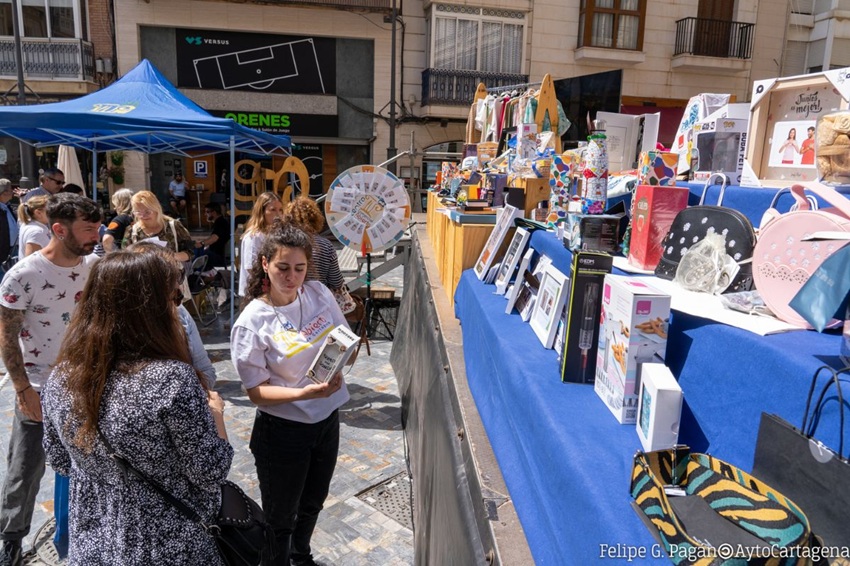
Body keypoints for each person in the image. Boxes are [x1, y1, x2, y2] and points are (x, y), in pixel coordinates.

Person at [41, 250, 232, 565]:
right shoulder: (171, 380)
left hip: (95, 541)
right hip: (167, 544)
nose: (178, 308)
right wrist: (216, 414)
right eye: (174, 298)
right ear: (150, 308)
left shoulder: (61, 378)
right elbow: (210, 470)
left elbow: (59, 460)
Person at [231, 223, 351, 566]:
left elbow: (344, 336)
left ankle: (301, 557)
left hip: (326, 420)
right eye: (283, 267)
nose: (291, 277)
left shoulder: (317, 293)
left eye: (299, 268)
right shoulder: (253, 322)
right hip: (283, 432)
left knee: (313, 502)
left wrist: (342, 358)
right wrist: (303, 393)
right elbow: (256, 393)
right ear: (265, 263)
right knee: (280, 517)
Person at [0, 193, 101, 566]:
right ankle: (11, 539)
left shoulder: (95, 267)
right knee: (25, 467)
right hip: (39, 388)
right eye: (88, 229)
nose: (95, 236)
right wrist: (22, 389)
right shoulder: (23, 275)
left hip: (85, 386)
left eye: (97, 228)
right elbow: (6, 337)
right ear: (59, 229)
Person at [126, 241, 218, 388]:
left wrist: (195, 395)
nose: (178, 284)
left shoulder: (180, 313)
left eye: (179, 274)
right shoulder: (119, 327)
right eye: (171, 275)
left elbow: (206, 371)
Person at [283, 197, 345, 294]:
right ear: (315, 219)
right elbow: (336, 281)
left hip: (292, 296)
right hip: (319, 297)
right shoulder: (326, 245)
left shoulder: (285, 245)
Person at [122, 190, 193, 262]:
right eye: (138, 212)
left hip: (170, 268)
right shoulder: (132, 231)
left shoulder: (174, 226)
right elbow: (125, 257)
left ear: (156, 209)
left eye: (147, 212)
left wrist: (172, 256)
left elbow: (190, 252)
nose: (143, 216)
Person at [238, 192, 283, 298]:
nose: (278, 214)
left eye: (280, 210)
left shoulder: (276, 234)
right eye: (273, 209)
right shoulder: (253, 236)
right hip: (255, 293)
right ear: (262, 212)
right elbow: (251, 267)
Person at [194, 202, 230, 268]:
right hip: (219, 255)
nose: (205, 214)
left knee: (194, 256)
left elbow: (214, 238)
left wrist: (202, 244)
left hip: (219, 257)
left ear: (214, 213)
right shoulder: (221, 221)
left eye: (207, 212)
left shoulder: (220, 223)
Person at [101, 188, 134, 253]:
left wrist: (111, 255)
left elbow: (106, 239)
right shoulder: (140, 217)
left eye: (116, 204)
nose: (114, 208)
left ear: (121, 204)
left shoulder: (119, 220)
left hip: (125, 256)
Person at [0, 180, 19, 274]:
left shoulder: (7, 206)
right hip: (3, 251)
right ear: (4, 192)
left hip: (12, 249)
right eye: (10, 189)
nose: (12, 191)